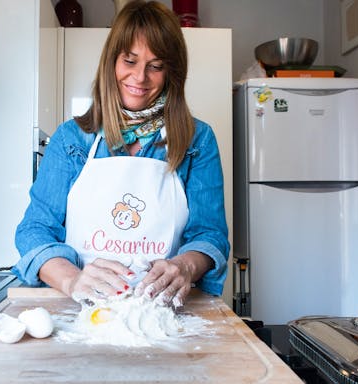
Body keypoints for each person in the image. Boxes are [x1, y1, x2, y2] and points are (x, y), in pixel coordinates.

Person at [13, 0, 229, 308]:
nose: (140, 78)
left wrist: (184, 267)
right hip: (80, 312)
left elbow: (210, 235)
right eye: (130, 61)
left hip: (162, 314)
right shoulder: (72, 139)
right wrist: (72, 279)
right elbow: (35, 229)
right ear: (111, 62)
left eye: (155, 66)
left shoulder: (197, 140)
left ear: (172, 74)